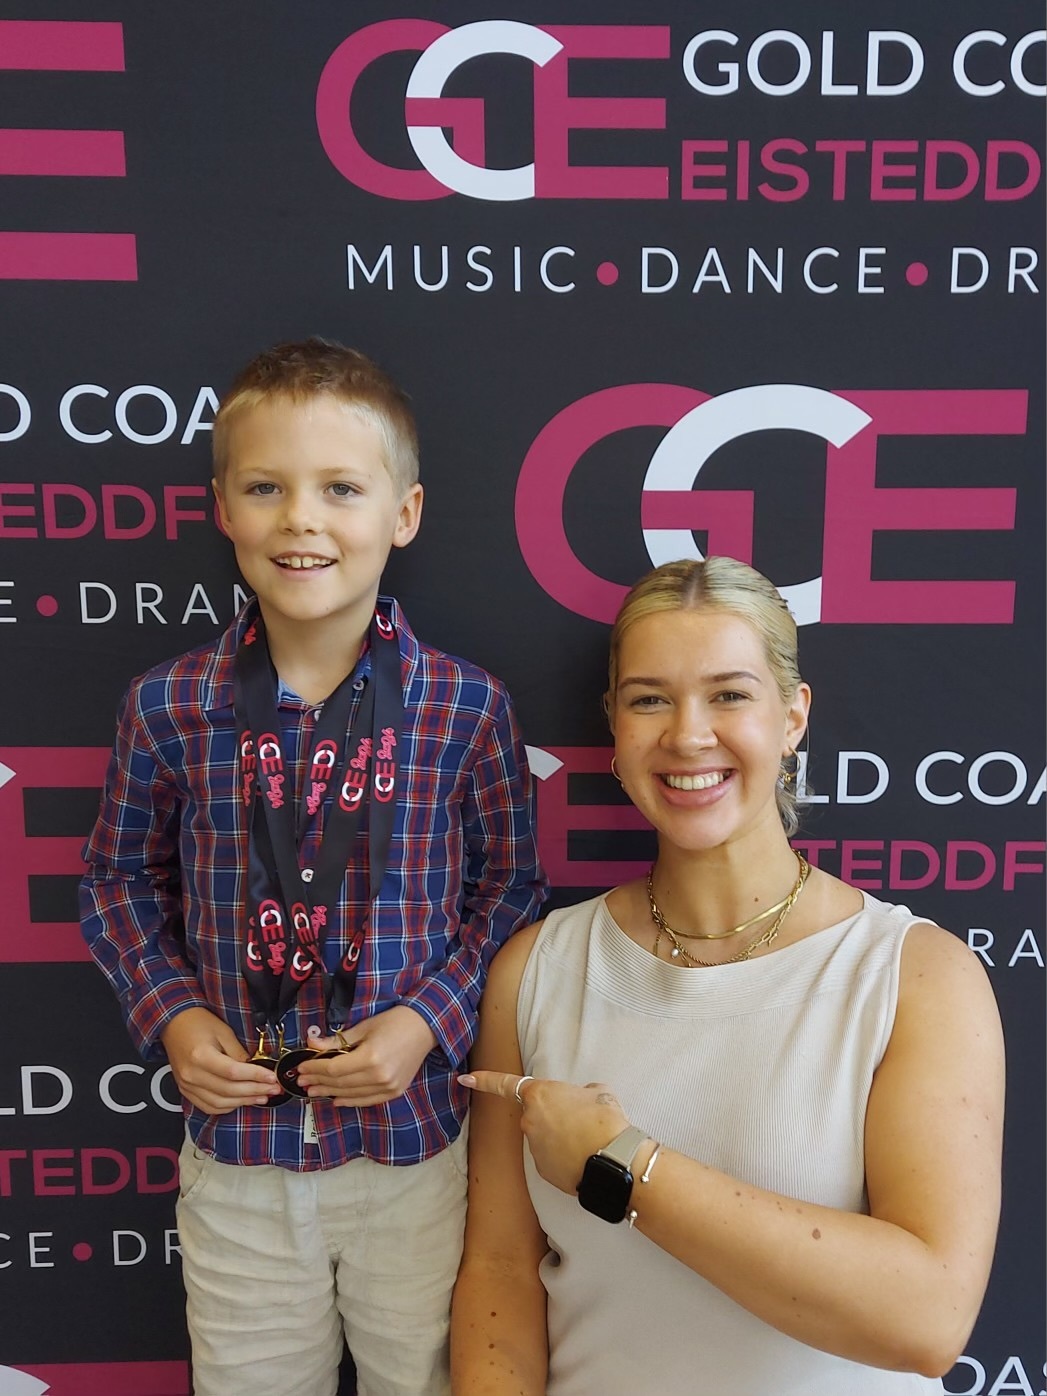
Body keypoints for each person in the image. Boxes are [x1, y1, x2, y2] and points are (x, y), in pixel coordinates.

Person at [80, 337, 546, 1396]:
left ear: (403, 513)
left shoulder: (468, 707)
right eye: (266, 487)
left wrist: (426, 1019)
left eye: (340, 487)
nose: (301, 518)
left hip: (415, 1150)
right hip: (240, 1159)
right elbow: (115, 882)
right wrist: (175, 1018)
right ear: (223, 509)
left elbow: (512, 890)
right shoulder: (166, 705)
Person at [451, 556, 1004, 1396]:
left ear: (792, 716)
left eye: (728, 695)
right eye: (649, 699)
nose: (687, 735)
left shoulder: (915, 974)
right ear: (613, 726)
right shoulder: (535, 970)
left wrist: (619, 1165)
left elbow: (926, 1320)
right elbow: (498, 1274)